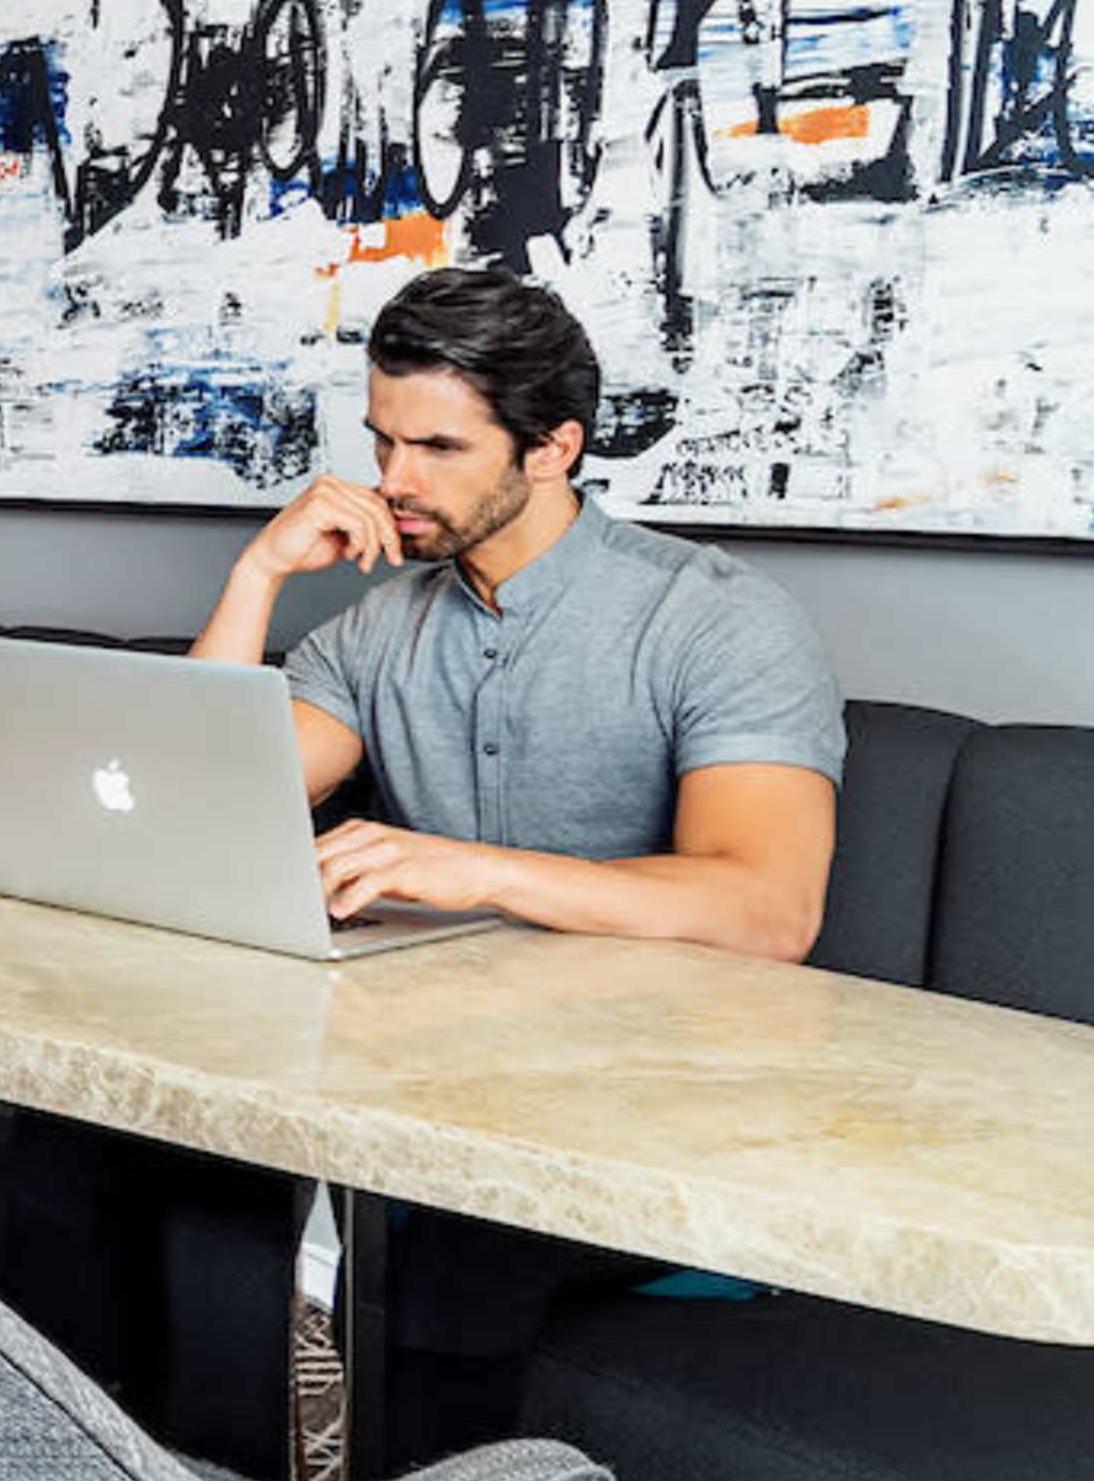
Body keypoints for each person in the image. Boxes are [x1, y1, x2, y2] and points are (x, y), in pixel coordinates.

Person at [190, 264, 843, 960]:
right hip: (418, 1023)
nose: (392, 480)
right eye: (384, 439)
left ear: (552, 450)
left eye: (440, 448)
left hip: (653, 1042)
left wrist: (479, 872)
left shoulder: (722, 620)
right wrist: (257, 573)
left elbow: (772, 914)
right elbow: (201, 813)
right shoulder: (374, 630)